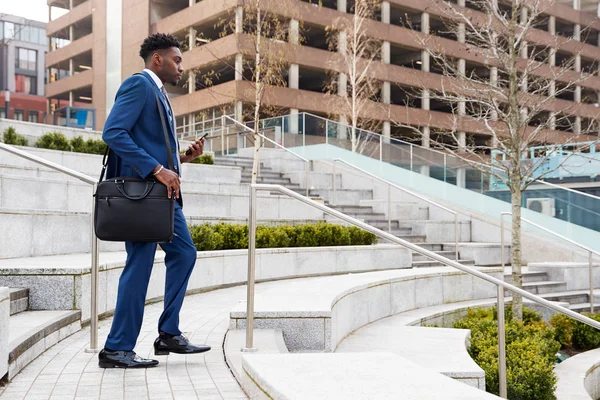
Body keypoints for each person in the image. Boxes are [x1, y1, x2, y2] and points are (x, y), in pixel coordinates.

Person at [98, 33, 210, 369]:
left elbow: (146, 142)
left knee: (184, 252)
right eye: (177, 60)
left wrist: (181, 159)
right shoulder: (139, 85)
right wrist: (159, 169)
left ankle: (168, 334)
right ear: (157, 59)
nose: (181, 67)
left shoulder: (158, 94)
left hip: (161, 197)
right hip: (144, 196)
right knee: (140, 264)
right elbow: (113, 132)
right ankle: (116, 349)